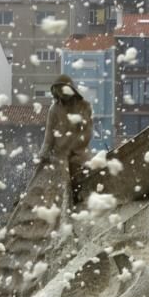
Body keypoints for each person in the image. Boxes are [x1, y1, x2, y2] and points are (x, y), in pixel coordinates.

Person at [38, 74, 93, 204]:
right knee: (57, 176)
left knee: (80, 170)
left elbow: (87, 132)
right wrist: (43, 154)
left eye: (63, 89)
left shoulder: (84, 106)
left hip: (79, 153)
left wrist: (74, 148)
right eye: (58, 91)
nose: (62, 94)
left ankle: (80, 196)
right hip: (59, 154)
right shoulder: (54, 109)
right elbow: (49, 135)